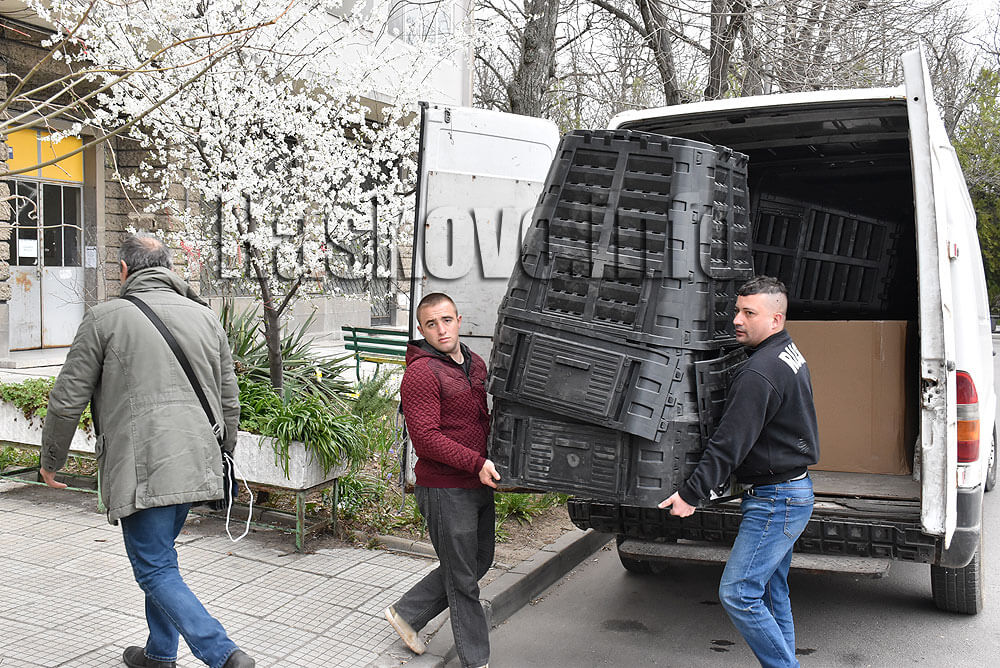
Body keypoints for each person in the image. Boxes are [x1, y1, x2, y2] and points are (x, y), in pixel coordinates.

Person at [40, 234, 254, 668]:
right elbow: (229, 399)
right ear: (168, 268)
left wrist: (51, 460)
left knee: (153, 567)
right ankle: (159, 654)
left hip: (144, 466)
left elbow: (66, 398)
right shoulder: (204, 316)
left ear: (123, 270)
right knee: (162, 559)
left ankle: (223, 654)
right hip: (197, 459)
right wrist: (224, 453)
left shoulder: (105, 318)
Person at [659, 275, 819, 668]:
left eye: (749, 313)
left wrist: (692, 494)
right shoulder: (786, 353)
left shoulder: (759, 372)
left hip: (776, 500)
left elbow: (729, 443)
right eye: (737, 311)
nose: (737, 320)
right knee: (771, 593)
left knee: (738, 593)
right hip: (790, 491)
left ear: (776, 319)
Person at [383, 292, 499, 668]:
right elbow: (426, 439)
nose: (441, 329)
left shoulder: (475, 363)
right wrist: (476, 462)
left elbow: (481, 420)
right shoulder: (421, 373)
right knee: (463, 579)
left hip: (477, 482)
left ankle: (407, 613)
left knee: (479, 560)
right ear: (422, 329)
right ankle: (476, 661)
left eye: (447, 320)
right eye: (431, 324)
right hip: (444, 488)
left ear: (459, 321)